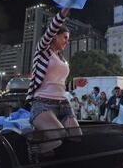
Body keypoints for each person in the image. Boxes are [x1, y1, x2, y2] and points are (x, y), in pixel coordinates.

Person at [26, 8, 81, 154]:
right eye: (65, 38)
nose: (67, 42)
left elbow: (59, 85)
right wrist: (62, 15)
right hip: (43, 104)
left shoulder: (62, 59)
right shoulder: (42, 51)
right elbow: (50, 30)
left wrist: (74, 84)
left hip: (63, 104)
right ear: (55, 37)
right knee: (57, 139)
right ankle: (29, 151)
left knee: (76, 136)